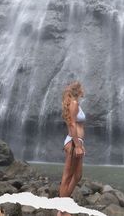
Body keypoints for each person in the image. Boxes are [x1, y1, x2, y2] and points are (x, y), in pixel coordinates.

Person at [57, 81, 86, 216]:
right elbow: (73, 125)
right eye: (82, 88)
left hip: (77, 142)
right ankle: (63, 210)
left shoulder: (74, 103)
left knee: (78, 176)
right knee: (67, 176)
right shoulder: (74, 104)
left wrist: (80, 143)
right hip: (74, 143)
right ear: (78, 90)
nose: (84, 90)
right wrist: (78, 145)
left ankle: (63, 206)